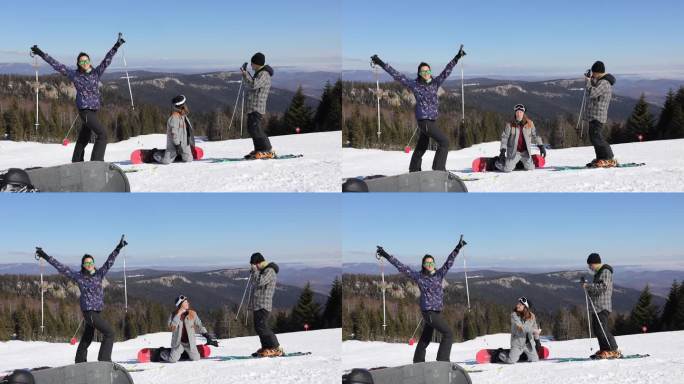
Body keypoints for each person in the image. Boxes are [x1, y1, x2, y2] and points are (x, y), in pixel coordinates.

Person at [30, 34, 126, 162]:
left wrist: (116, 45)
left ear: (89, 61)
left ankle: (76, 160)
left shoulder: (96, 73)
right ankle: (96, 162)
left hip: (93, 111)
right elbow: (57, 65)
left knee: (83, 138)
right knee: (102, 135)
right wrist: (41, 53)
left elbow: (107, 60)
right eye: (82, 61)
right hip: (85, 112)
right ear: (78, 63)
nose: (85, 63)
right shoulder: (75, 75)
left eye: (86, 60)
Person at [370, 46, 466, 172]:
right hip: (424, 121)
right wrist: (381, 62)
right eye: (423, 72)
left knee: (422, 147)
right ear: (419, 73)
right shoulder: (416, 85)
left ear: (430, 72)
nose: (426, 74)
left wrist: (457, 57)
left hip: (431, 121)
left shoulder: (435, 83)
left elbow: (447, 71)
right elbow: (397, 75)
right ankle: (439, 169)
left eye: (428, 71)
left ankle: (414, 170)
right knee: (444, 142)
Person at [35, 235, 127, 363]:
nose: (89, 264)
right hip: (89, 312)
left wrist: (118, 247)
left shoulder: (99, 274)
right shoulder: (79, 277)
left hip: (96, 312)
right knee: (110, 333)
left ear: (93, 263)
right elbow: (60, 267)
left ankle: (79, 362)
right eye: (86, 263)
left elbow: (109, 261)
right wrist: (44, 255)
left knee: (87, 338)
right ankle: (104, 360)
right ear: (83, 265)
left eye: (91, 262)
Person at [376, 235, 467, 363]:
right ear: (423, 265)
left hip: (436, 312)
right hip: (429, 313)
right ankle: (443, 361)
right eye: (427, 263)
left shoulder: (439, 275)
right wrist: (385, 254)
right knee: (448, 334)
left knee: (425, 339)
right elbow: (401, 267)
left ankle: (418, 361)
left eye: (431, 262)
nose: (429, 264)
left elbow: (449, 262)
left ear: (434, 263)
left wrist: (458, 247)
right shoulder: (419, 277)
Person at [583, 253, 621, 359]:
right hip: (597, 306)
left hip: (602, 306)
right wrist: (588, 288)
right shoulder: (598, 273)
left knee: (602, 329)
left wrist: (588, 286)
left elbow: (603, 286)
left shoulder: (605, 271)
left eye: (590, 265)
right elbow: (597, 291)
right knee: (597, 329)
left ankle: (613, 349)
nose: (589, 267)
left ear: (594, 263)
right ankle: (605, 348)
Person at [160, 295, 218, 363]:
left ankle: (188, 351)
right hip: (178, 343)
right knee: (172, 360)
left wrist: (206, 335)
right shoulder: (173, 315)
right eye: (185, 302)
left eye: (187, 302)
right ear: (180, 304)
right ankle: (165, 351)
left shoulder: (192, 313)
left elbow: (199, 325)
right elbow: (171, 328)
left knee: (196, 358)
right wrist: (178, 315)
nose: (188, 303)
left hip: (190, 343)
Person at [241, 53, 275, 159]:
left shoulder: (264, 74)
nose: (251, 65)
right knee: (252, 128)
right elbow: (252, 84)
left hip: (257, 107)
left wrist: (245, 74)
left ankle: (267, 149)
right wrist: (246, 75)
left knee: (256, 128)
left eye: (252, 63)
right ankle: (259, 149)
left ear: (257, 63)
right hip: (253, 107)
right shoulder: (259, 73)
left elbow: (254, 84)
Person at [584, 61, 617, 168]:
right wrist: (590, 80)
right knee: (594, 137)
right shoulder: (601, 81)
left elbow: (593, 93)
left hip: (598, 115)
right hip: (594, 115)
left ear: (598, 72)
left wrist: (588, 82)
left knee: (597, 137)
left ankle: (608, 157)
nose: (593, 75)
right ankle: (601, 157)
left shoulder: (604, 83)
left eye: (593, 73)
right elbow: (595, 87)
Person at [249, 252, 283, 357]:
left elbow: (260, 281)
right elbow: (255, 283)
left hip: (264, 304)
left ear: (259, 263)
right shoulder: (263, 271)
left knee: (263, 326)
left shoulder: (270, 271)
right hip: (258, 304)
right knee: (258, 327)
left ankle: (275, 347)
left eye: (255, 265)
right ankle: (266, 347)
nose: (255, 267)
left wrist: (255, 271)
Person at [495, 104, 546, 172]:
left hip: (525, 152)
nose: (519, 114)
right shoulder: (510, 124)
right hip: (514, 152)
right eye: (517, 112)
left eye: (521, 112)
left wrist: (541, 146)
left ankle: (525, 161)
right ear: (515, 113)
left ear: (523, 113)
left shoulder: (529, 123)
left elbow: (535, 135)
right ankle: (497, 161)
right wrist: (502, 150)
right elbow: (505, 137)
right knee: (507, 169)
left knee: (530, 168)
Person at [498, 297, 541, 364]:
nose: (517, 305)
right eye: (518, 304)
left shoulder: (532, 316)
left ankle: (522, 354)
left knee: (535, 360)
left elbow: (535, 328)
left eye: (520, 305)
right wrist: (534, 331)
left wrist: (537, 341)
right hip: (518, 343)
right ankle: (500, 353)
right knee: (511, 361)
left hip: (528, 344)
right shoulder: (514, 315)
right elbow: (521, 327)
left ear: (526, 307)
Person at [159, 95, 196, 164]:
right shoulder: (174, 118)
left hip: (185, 144)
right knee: (166, 162)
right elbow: (174, 133)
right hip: (174, 145)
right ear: (181, 106)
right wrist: (177, 145)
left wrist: (190, 143)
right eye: (184, 104)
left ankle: (179, 155)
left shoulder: (183, 116)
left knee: (189, 160)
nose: (186, 105)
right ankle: (158, 153)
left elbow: (188, 131)